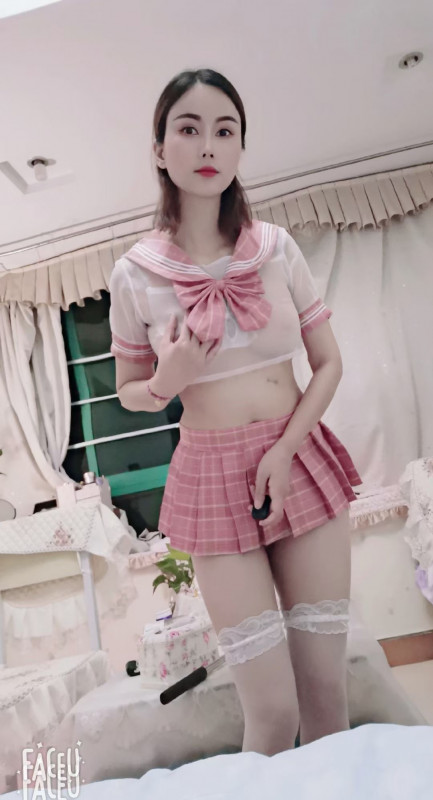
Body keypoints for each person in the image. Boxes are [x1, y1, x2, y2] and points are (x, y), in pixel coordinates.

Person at [109, 68, 363, 756]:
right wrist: (166, 381)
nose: (207, 145)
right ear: (159, 149)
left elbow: (328, 363)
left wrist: (283, 450)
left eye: (225, 130)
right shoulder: (135, 272)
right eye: (188, 128)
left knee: (326, 695)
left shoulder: (275, 247)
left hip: (296, 453)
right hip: (210, 475)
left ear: (240, 147)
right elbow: (129, 390)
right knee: (273, 713)